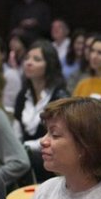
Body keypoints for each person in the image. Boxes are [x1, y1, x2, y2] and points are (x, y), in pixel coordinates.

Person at [13, 40, 69, 182]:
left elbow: (61, 135)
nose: (29, 63)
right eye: (27, 58)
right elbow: (17, 129)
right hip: (24, 155)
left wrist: (24, 147)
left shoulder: (60, 96)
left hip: (52, 156)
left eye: (36, 59)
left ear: (49, 65)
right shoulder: (23, 94)